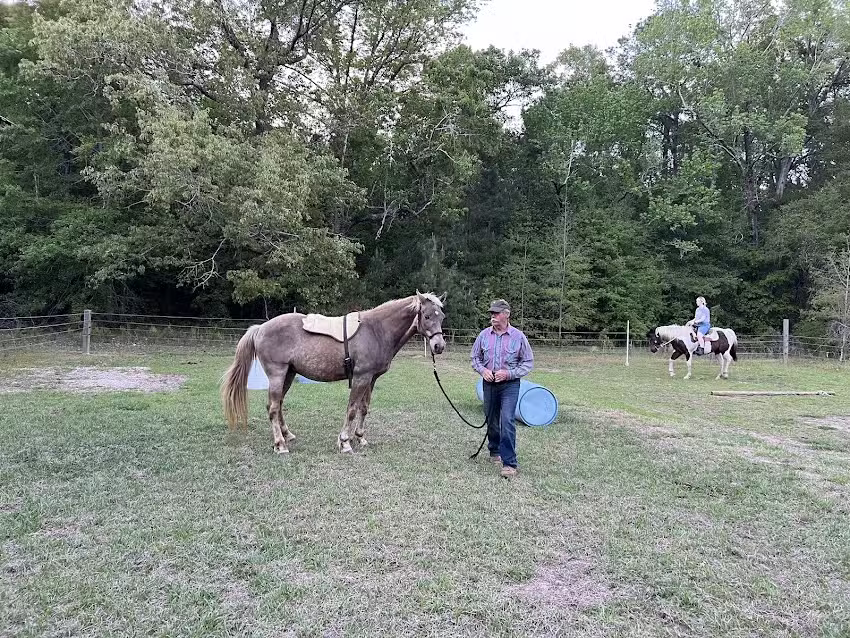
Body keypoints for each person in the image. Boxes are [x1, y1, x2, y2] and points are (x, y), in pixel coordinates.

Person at [469, 299, 534, 478]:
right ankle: (494, 450)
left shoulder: (519, 337)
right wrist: (483, 371)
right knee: (491, 419)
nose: (493, 316)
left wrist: (510, 373)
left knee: (507, 420)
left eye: (496, 313)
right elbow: (475, 358)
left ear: (506, 314)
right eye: (491, 313)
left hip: (510, 386)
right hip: (489, 384)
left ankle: (509, 463)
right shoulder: (483, 335)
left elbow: (527, 363)